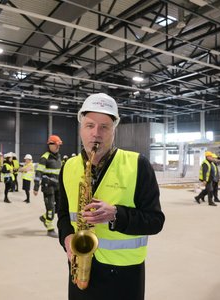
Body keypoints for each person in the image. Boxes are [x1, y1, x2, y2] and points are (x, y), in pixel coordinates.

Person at [57, 93, 165, 299]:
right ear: (80, 128)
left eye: (104, 126)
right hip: (80, 268)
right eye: (90, 125)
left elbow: (155, 222)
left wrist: (115, 214)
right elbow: (63, 213)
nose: (96, 133)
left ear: (114, 129)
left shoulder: (138, 164)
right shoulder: (68, 166)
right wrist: (67, 236)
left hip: (124, 274)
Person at [34, 134, 63, 237]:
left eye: (59, 145)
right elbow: (38, 173)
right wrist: (36, 187)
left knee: (59, 207)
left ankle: (44, 217)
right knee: (50, 207)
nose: (58, 147)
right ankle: (50, 228)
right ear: (50, 145)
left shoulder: (59, 157)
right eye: (56, 145)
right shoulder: (44, 158)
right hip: (48, 186)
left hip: (58, 186)